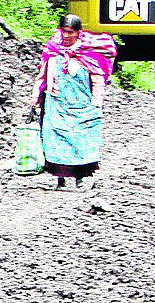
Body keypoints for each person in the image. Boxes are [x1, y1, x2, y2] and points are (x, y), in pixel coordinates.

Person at [31, 14, 114, 189]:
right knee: (56, 141)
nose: (67, 35)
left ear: (78, 33)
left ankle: (80, 178)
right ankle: (60, 179)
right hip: (56, 104)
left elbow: (98, 80)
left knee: (79, 141)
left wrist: (96, 104)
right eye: (64, 31)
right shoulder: (53, 52)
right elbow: (42, 76)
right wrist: (35, 97)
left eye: (71, 32)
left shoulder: (88, 54)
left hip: (81, 106)